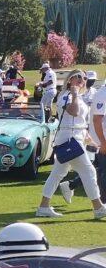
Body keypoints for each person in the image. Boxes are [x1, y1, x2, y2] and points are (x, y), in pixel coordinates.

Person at [37, 70, 106, 219]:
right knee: (89, 172)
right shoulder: (66, 96)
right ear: (70, 80)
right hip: (69, 139)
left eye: (84, 77)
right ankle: (98, 207)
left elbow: (80, 121)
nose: (82, 79)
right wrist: (74, 94)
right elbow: (73, 112)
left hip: (75, 137)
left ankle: (43, 206)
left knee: (57, 174)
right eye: (78, 76)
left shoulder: (78, 97)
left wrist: (90, 139)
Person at [60, 71, 106, 205]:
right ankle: (102, 204)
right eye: (81, 77)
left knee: (94, 168)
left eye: (86, 78)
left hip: (91, 137)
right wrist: (102, 142)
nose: (85, 81)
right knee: (98, 170)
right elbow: (96, 120)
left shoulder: (93, 93)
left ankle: (70, 185)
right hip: (95, 138)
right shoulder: (101, 94)